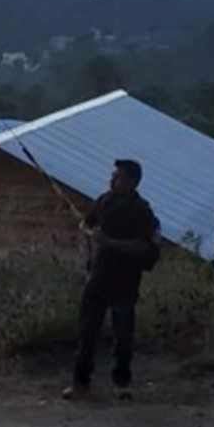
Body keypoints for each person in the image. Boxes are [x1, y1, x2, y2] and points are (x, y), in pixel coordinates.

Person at [63, 159, 160, 402]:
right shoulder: (104, 201)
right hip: (97, 276)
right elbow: (86, 223)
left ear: (132, 181)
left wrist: (111, 244)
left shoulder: (142, 211)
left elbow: (143, 246)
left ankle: (122, 383)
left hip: (125, 281)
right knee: (87, 332)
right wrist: (91, 234)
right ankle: (80, 382)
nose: (112, 180)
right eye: (112, 176)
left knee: (123, 335)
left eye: (117, 177)